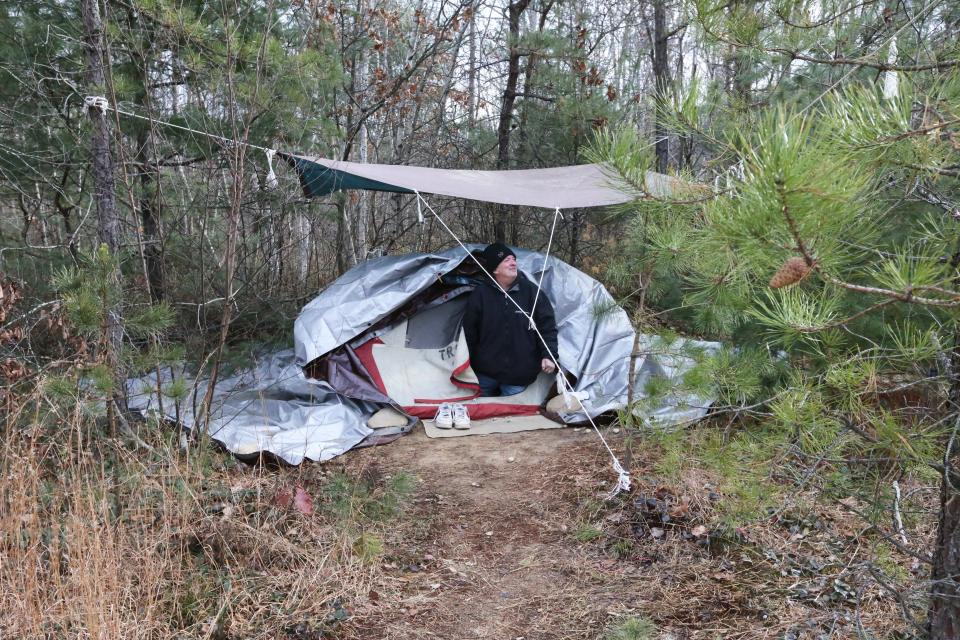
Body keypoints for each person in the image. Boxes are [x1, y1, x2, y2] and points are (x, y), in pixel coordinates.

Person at [462, 242, 559, 397]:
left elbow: (547, 327)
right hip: (485, 374)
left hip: (518, 376)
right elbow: (469, 333)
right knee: (482, 417)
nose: (513, 263)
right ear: (495, 269)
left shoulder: (532, 292)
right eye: (506, 260)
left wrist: (549, 355)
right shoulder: (480, 295)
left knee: (511, 420)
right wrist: (465, 364)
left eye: (513, 259)